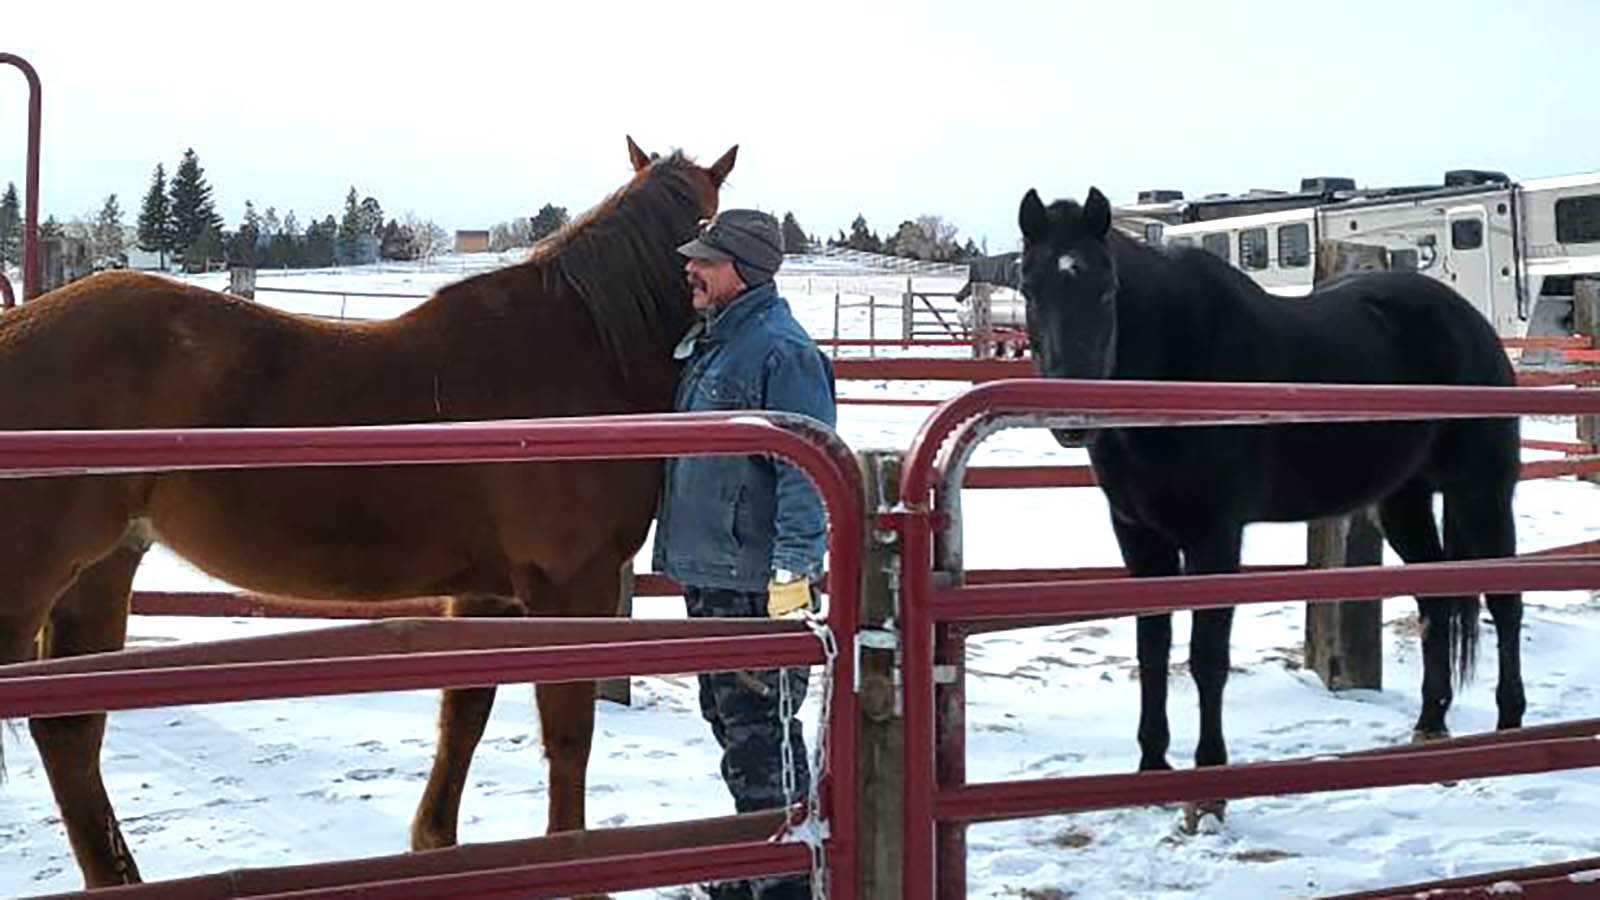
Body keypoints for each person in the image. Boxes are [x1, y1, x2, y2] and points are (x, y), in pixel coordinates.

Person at [652, 209, 836, 900]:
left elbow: (807, 469)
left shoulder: (779, 352)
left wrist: (792, 574)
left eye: (706, 260)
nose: (691, 269)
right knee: (734, 724)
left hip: (755, 581)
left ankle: (785, 880)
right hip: (715, 572)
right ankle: (765, 862)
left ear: (744, 270)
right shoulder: (717, 342)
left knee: (761, 732)